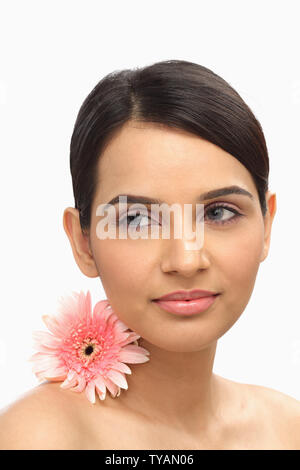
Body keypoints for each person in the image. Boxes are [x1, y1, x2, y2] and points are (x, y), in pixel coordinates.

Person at [0, 60, 299, 450]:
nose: (187, 260)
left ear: (267, 224)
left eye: (219, 212)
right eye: (138, 219)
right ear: (82, 243)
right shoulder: (39, 437)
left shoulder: (288, 429)